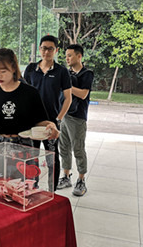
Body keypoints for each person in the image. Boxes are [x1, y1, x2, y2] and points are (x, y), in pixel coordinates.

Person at [23, 35, 72, 191]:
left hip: (51, 122)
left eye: (50, 49)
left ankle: (53, 189)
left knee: (52, 157)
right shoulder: (31, 69)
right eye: (44, 48)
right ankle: (32, 186)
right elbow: (23, 93)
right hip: (32, 122)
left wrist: (58, 119)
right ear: (39, 49)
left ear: (56, 50)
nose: (46, 52)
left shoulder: (62, 72)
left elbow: (68, 98)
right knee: (31, 156)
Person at [0, 48, 59, 145]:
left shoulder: (30, 93)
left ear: (13, 68)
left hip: (23, 142)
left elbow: (39, 121)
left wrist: (51, 125)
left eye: (3, 71)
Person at [57, 44, 94, 196]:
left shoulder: (87, 74)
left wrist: (66, 86)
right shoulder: (67, 73)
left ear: (79, 56)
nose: (67, 58)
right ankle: (66, 176)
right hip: (65, 115)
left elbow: (83, 94)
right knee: (64, 147)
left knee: (78, 149)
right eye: (66, 56)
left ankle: (81, 180)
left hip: (78, 118)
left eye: (70, 55)